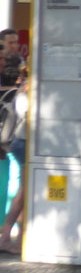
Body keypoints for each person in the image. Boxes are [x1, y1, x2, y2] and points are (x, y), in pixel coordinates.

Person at [0, 55, 27, 255]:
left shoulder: (23, 90)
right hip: (25, 142)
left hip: (19, 142)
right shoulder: (27, 91)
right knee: (24, 191)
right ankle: (8, 236)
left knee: (24, 190)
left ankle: (16, 237)